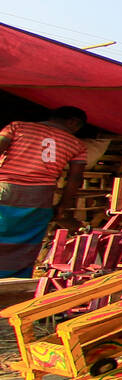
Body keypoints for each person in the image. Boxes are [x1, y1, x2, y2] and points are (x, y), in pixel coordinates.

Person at [0, 107, 88, 277]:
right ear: (73, 122)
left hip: (5, 189)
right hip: (40, 196)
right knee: (26, 240)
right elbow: (75, 179)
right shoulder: (77, 144)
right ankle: (14, 282)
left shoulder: (17, 127)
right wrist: (63, 206)